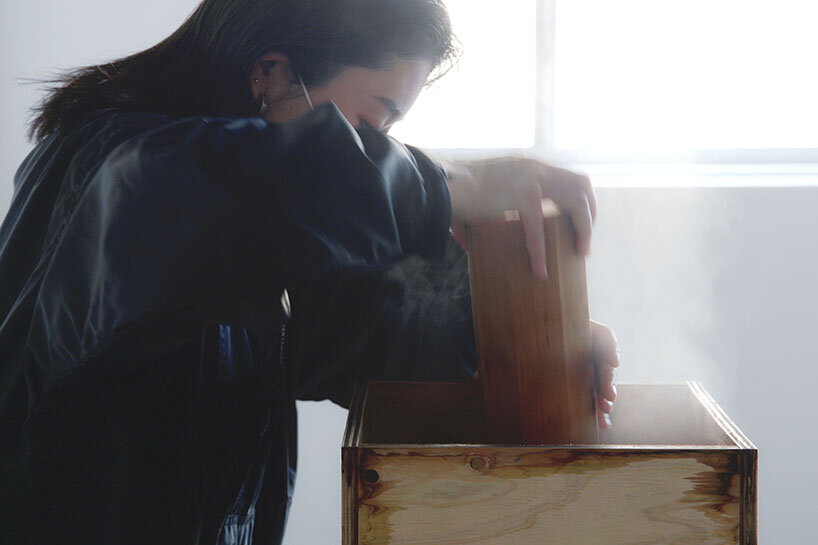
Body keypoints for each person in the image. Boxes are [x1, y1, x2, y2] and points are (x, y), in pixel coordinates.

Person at [0, 1, 620, 543]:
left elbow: (356, 333)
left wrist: (519, 336)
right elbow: (238, 190)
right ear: (270, 72)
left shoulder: (246, 237)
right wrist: (449, 184)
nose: (375, 146)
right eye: (374, 121)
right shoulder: (114, 171)